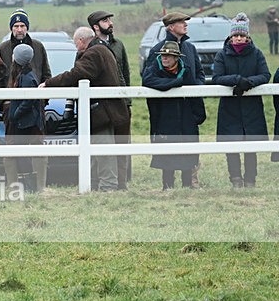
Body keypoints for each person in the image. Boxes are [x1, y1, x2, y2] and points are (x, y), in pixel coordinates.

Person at [40, 27, 128, 192]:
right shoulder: (103, 50)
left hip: (102, 111)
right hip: (107, 109)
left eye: (76, 44)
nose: (76, 48)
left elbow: (77, 73)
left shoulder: (93, 53)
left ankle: (108, 186)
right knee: (95, 150)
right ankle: (95, 185)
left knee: (102, 150)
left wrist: (49, 83)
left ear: (81, 41)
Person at [145, 12, 206, 188]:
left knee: (189, 146)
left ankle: (188, 185)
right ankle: (168, 186)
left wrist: (195, 91)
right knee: (168, 148)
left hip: (188, 109)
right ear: (171, 27)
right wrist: (174, 85)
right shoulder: (157, 50)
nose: (185, 25)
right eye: (181, 22)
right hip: (167, 110)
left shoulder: (190, 48)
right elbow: (149, 80)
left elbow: (199, 74)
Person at [212, 13, 271, 188]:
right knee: (232, 146)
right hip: (230, 108)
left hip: (251, 107)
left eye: (242, 35)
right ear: (231, 36)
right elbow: (217, 77)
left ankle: (251, 179)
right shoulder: (222, 55)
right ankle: (235, 178)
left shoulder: (256, 53)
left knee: (251, 147)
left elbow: (265, 74)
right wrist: (237, 80)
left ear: (247, 36)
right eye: (236, 35)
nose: (239, 38)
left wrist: (248, 83)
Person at [0, 9, 51, 189]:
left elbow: (46, 75)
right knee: (11, 147)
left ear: (27, 27)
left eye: (22, 26)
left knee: (37, 145)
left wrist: (43, 100)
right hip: (11, 106)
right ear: (11, 28)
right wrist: (2, 102)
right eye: (16, 26)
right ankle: (13, 186)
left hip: (35, 107)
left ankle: (40, 187)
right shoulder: (3, 49)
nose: (19, 29)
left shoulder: (38, 47)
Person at [87, 10, 131, 190]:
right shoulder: (91, 47)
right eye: (105, 21)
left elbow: (125, 73)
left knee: (122, 146)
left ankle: (122, 184)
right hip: (101, 107)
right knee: (101, 149)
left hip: (121, 105)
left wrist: (127, 100)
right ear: (96, 26)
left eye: (110, 20)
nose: (110, 23)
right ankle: (96, 184)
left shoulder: (118, 45)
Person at [0, 44, 43, 193]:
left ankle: (30, 187)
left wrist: (15, 114)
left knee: (23, 156)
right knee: (21, 155)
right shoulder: (24, 75)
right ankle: (26, 187)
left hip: (23, 123)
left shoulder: (27, 77)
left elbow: (28, 101)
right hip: (21, 122)